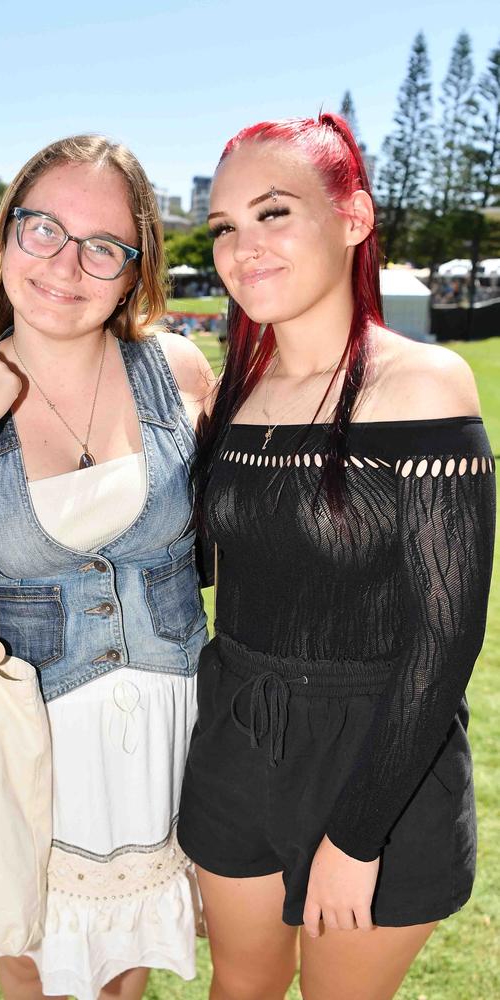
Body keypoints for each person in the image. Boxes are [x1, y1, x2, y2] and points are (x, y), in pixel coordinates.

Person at [0, 134, 213, 1000]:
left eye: (103, 246)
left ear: (136, 268)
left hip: (170, 736)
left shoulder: (178, 371)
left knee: (124, 970)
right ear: (7, 235)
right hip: (32, 744)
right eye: (44, 230)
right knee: (36, 968)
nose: (67, 265)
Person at [176, 114, 496, 1000]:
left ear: (352, 218)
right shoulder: (230, 396)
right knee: (239, 989)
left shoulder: (421, 385)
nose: (243, 247)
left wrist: (357, 840)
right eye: (225, 228)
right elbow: (197, 571)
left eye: (273, 213)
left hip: (379, 763)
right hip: (235, 742)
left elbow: (446, 638)